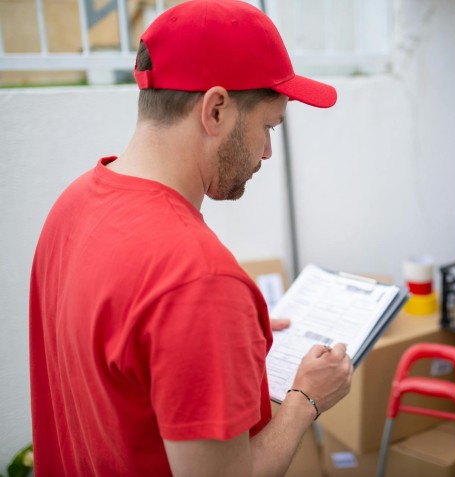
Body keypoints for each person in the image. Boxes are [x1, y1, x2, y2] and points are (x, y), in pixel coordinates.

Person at [28, 0, 353, 475]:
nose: (266, 151)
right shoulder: (199, 280)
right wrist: (305, 399)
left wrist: (229, 337)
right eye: (268, 125)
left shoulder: (72, 206)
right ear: (216, 109)